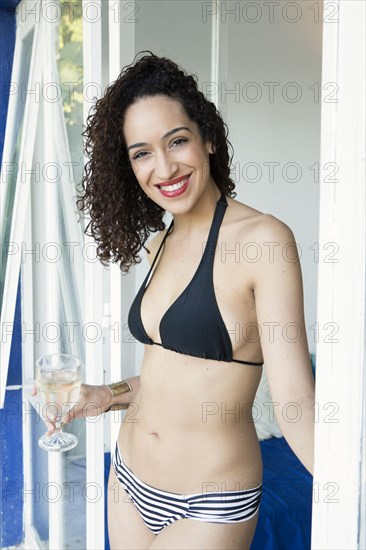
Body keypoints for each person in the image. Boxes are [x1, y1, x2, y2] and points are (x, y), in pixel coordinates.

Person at [39, 52, 315, 549]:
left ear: (207, 138)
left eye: (177, 141)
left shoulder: (265, 240)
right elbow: (174, 376)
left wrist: (351, 494)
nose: (163, 167)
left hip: (210, 501)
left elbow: (295, 403)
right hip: (127, 481)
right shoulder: (159, 241)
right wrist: (108, 394)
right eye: (141, 152)